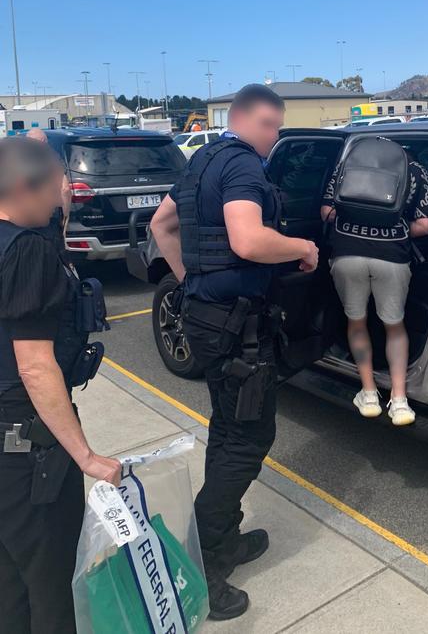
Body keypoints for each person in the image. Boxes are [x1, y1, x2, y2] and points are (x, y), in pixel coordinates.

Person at [151, 84, 318, 621]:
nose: (275, 137)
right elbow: (247, 242)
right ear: (244, 119)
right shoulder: (244, 166)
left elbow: (161, 225)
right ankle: (201, 564)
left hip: (208, 321)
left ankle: (223, 539)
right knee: (249, 438)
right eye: (270, 125)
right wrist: (302, 247)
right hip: (238, 327)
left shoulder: (203, 160)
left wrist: (192, 280)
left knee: (227, 429)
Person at [0, 136, 121, 634]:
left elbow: (56, 214)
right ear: (26, 187)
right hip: (26, 449)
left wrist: (44, 160)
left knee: (9, 585)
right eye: (55, 189)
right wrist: (85, 457)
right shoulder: (27, 253)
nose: (60, 200)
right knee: (52, 586)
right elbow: (35, 366)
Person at [320, 144, 428, 426]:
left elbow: (326, 212)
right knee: (395, 327)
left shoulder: (347, 165)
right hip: (392, 257)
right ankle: (399, 400)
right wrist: (393, 228)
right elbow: (426, 225)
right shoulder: (417, 170)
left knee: (356, 322)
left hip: (347, 253)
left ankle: (369, 393)